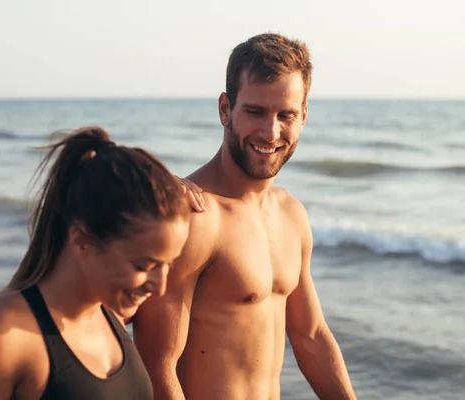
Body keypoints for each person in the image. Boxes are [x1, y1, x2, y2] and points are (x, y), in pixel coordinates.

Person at [133, 33, 357, 400]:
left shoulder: (291, 214)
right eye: (255, 112)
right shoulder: (192, 216)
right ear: (225, 109)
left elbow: (311, 336)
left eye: (286, 115)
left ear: (303, 115)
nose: (270, 132)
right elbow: (156, 368)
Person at [0, 126, 192, 399]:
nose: (160, 287)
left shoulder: (110, 317)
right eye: (144, 266)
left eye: (169, 263)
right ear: (82, 241)